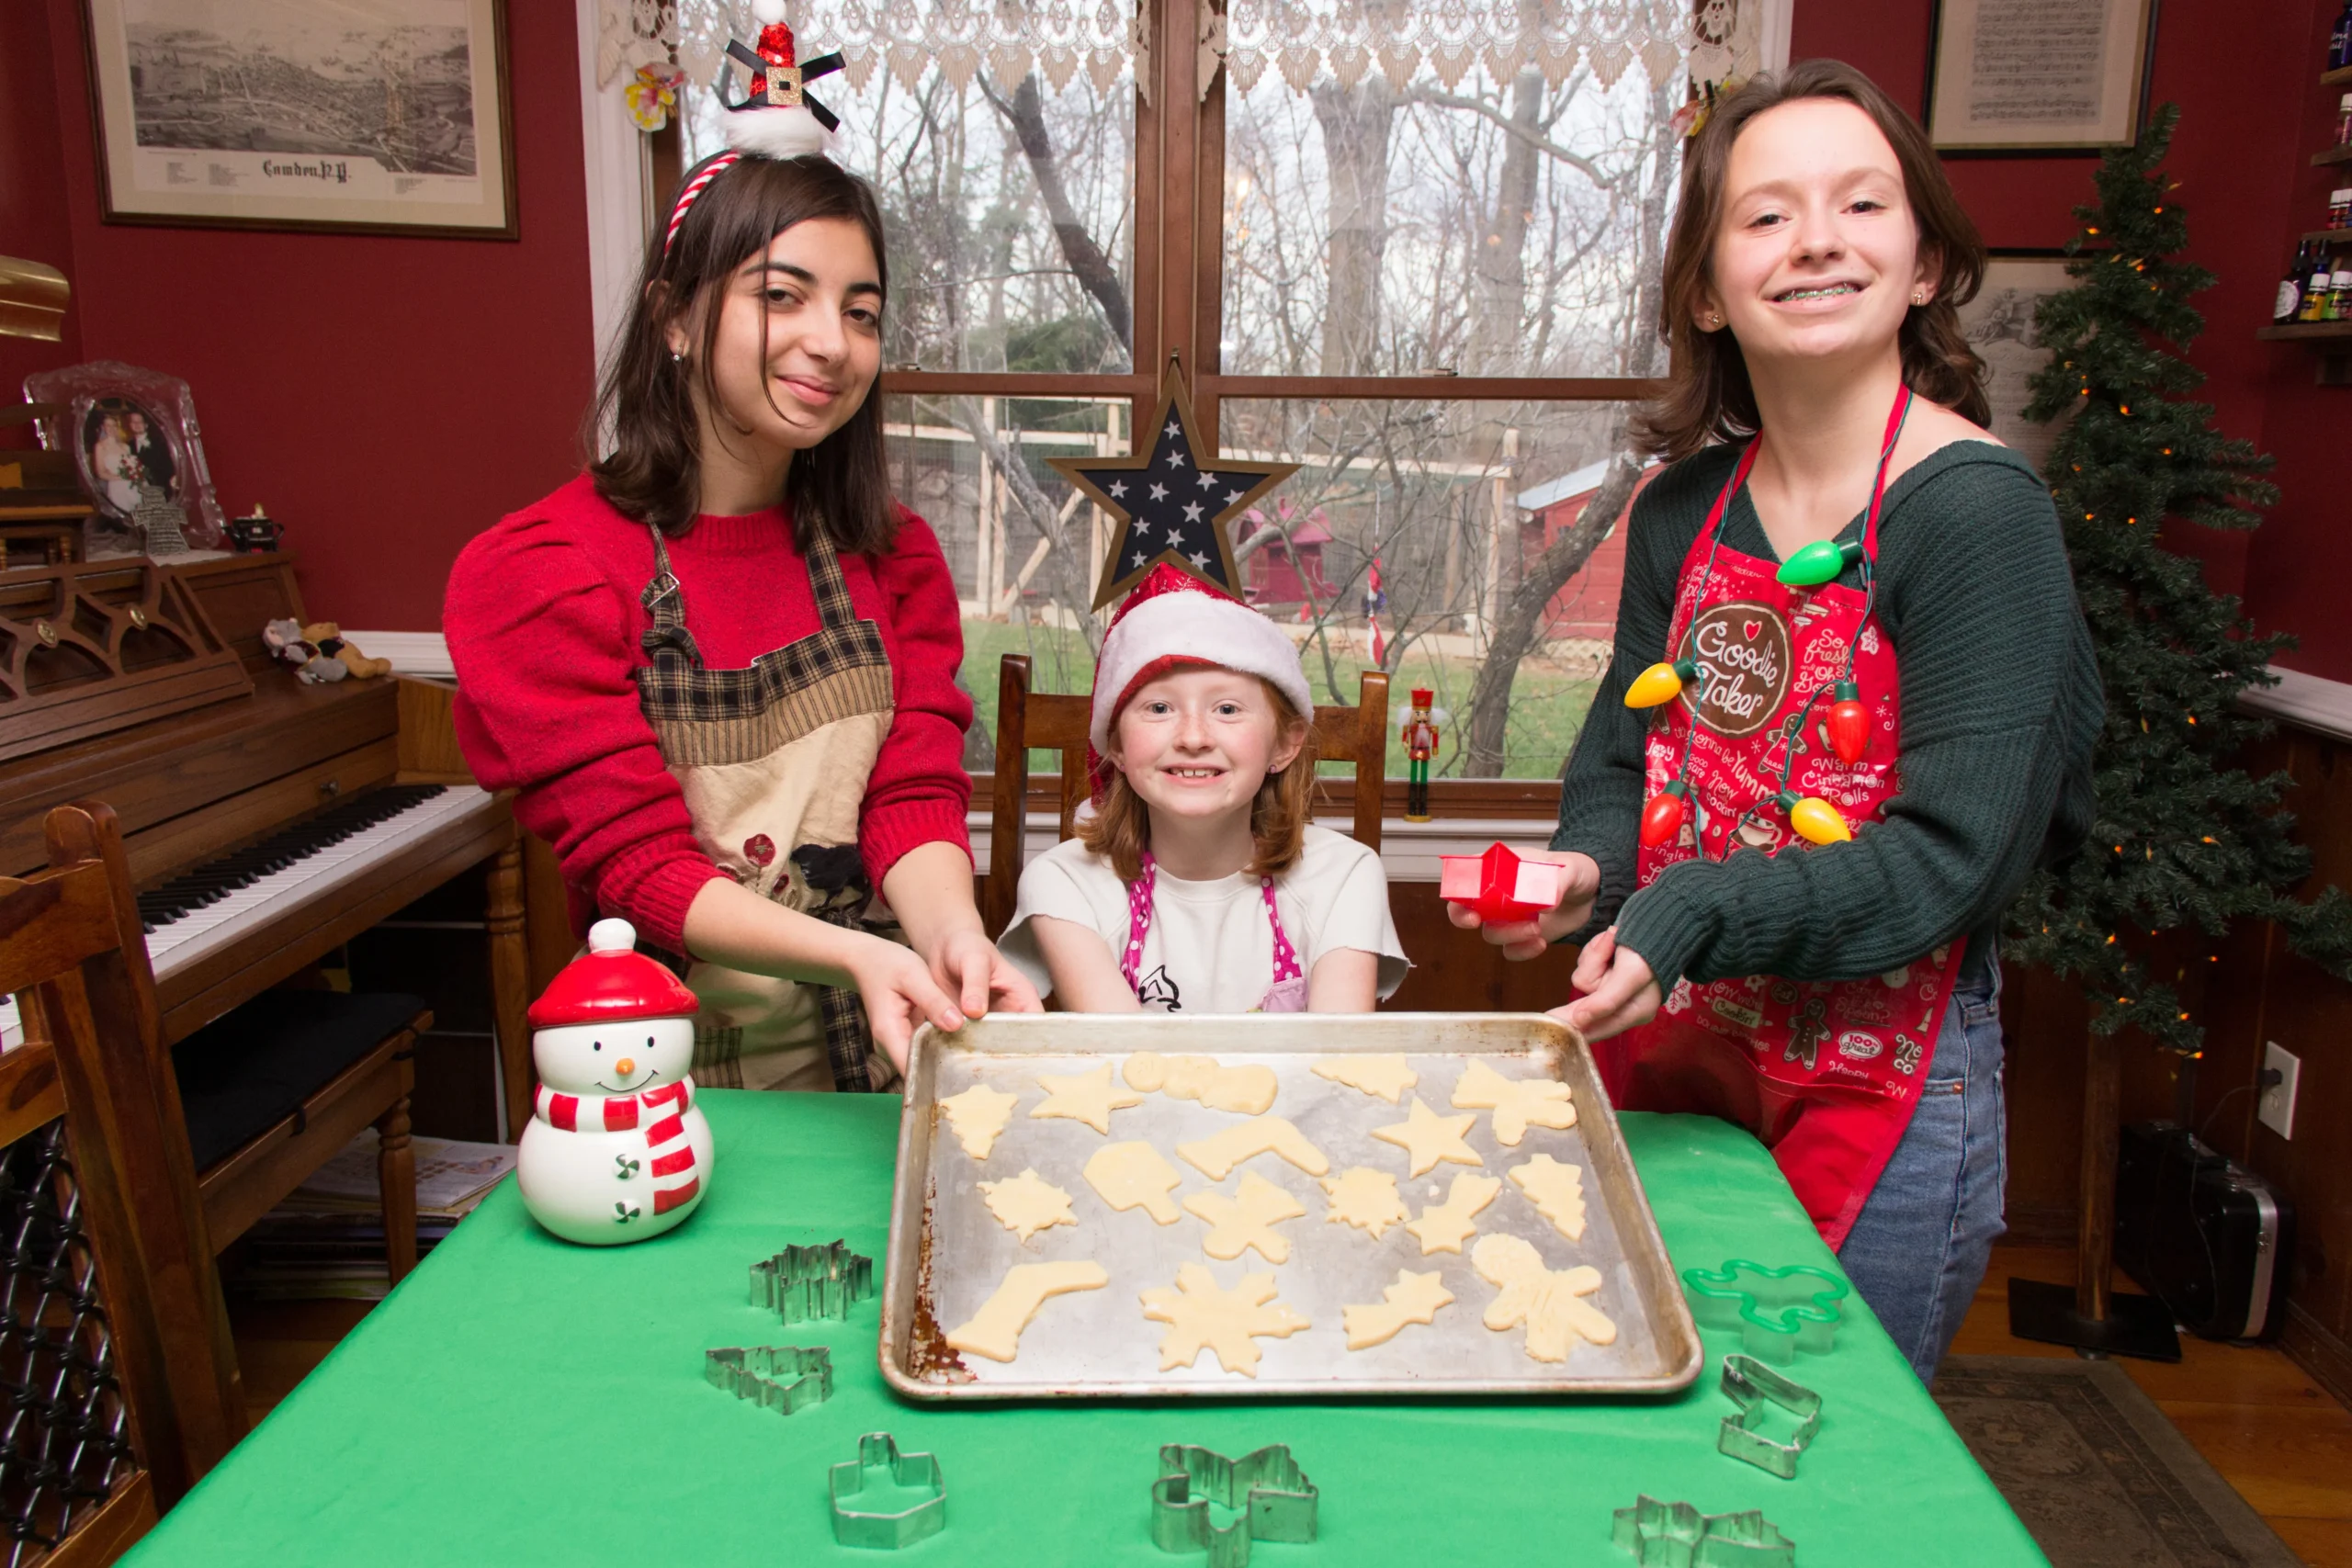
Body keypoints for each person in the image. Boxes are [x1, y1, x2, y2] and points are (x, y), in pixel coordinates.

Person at [1451, 61, 2098, 1383]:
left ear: (1923, 262)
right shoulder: (1683, 507)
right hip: (1672, 1053)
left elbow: (1952, 857)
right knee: (1640, 1409)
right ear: (1705, 284)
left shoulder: (1975, 513)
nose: (1817, 238)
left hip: (1887, 1094)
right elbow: (1627, 758)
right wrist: (1585, 870)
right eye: (1766, 215)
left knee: (1812, 1449)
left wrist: (1681, 909)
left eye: (1862, 204)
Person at [447, 13, 1036, 1093]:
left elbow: (910, 789)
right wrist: (859, 952)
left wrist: (947, 932)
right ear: (676, 319)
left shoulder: (889, 556)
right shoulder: (542, 573)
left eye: (861, 312)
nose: (832, 342)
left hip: (882, 1064)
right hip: (664, 1080)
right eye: (783, 295)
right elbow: (638, 864)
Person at [1001, 566, 1408, 1013]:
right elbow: (1122, 1065)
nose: (1193, 738)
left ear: (1285, 743)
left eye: (1228, 708)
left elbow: (1334, 1064)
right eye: (1159, 707)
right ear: (1115, 743)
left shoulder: (1345, 877)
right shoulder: (1064, 883)